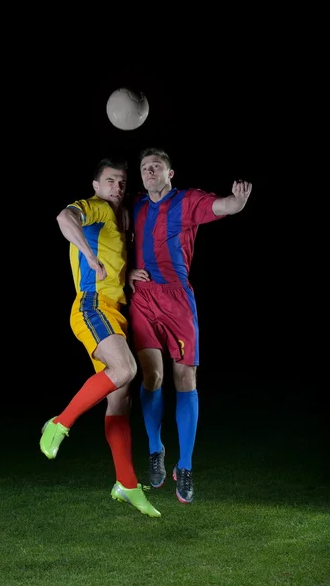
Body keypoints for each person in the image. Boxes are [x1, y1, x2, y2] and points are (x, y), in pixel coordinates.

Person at [128, 147, 252, 504]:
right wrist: (124, 274)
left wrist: (237, 202)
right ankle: (155, 449)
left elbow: (223, 206)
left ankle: (185, 466)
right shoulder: (133, 205)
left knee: (185, 378)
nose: (150, 171)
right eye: (145, 167)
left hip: (178, 300)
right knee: (151, 376)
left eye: (157, 167)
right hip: (142, 296)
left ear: (170, 174)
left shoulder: (187, 201)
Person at [40, 157, 161, 518]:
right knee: (125, 370)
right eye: (110, 181)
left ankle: (126, 484)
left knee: (120, 400)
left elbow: (114, 264)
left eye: (122, 182)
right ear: (96, 185)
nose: (117, 188)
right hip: (92, 307)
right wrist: (89, 256)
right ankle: (59, 423)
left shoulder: (120, 218)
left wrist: (128, 276)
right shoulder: (92, 207)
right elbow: (64, 219)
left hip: (114, 312)